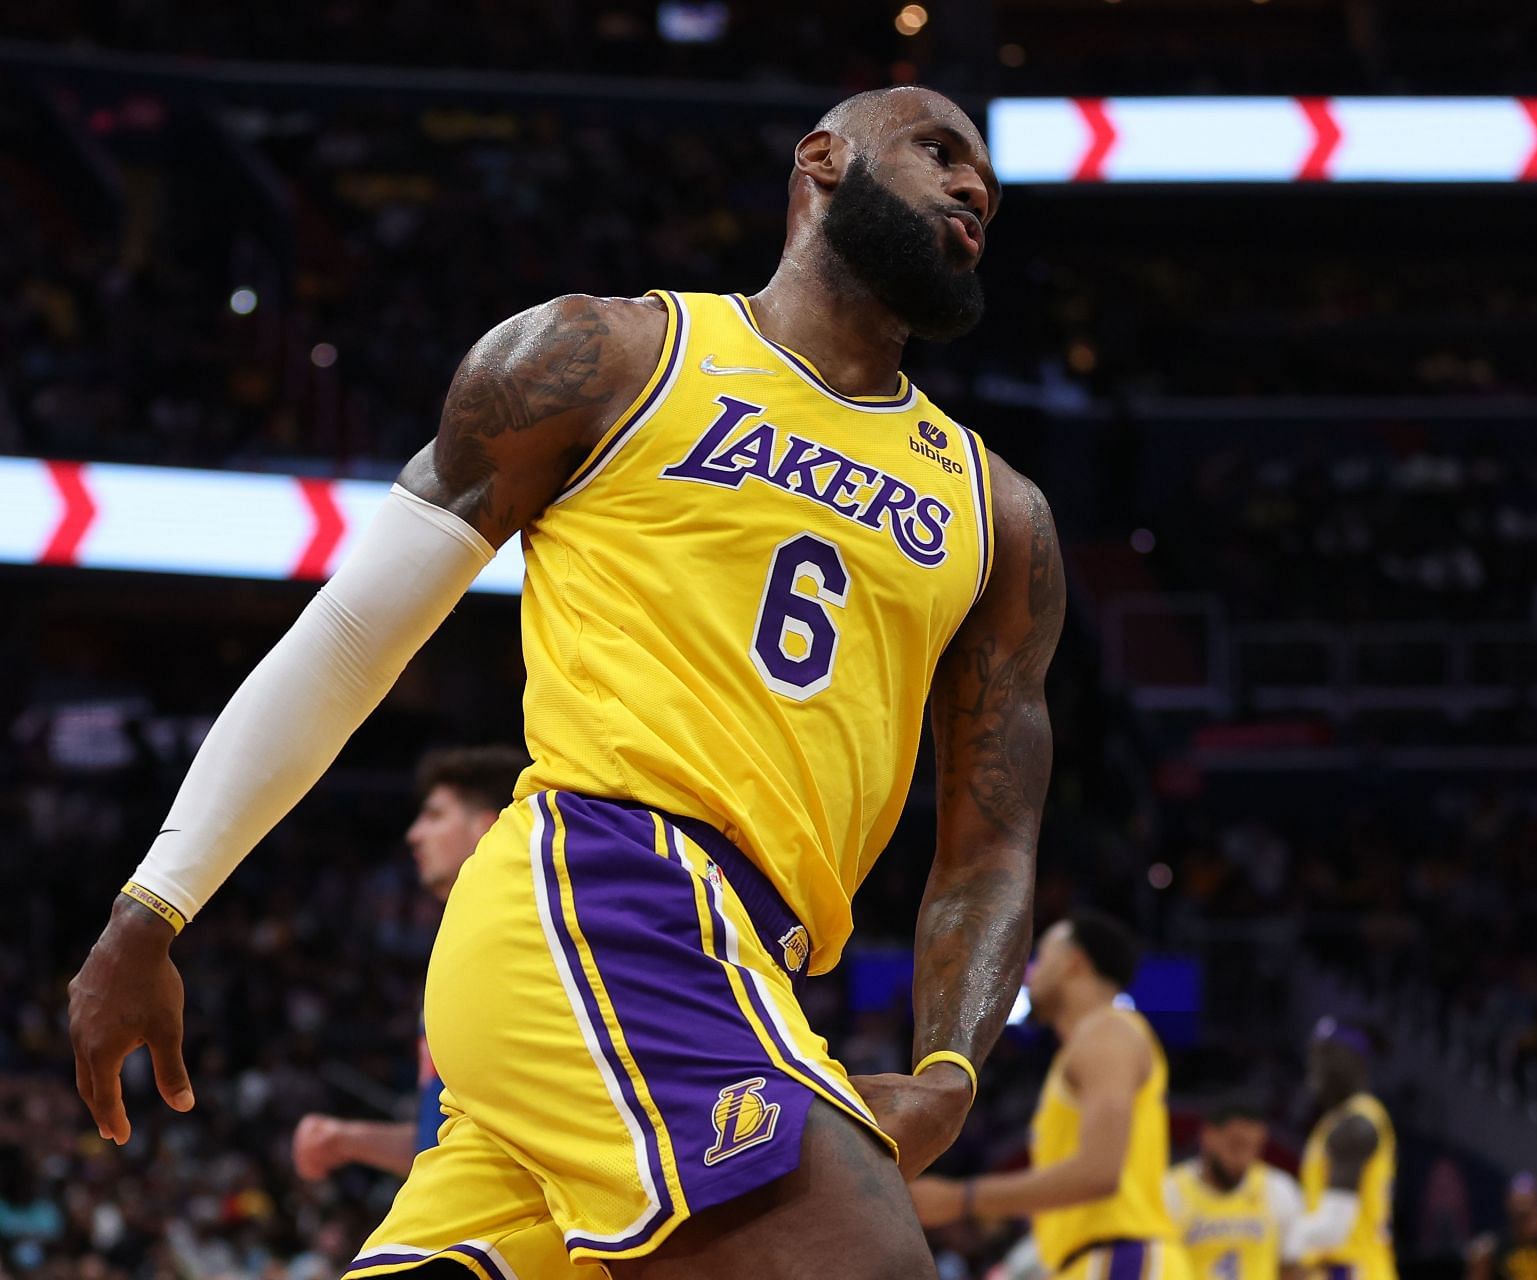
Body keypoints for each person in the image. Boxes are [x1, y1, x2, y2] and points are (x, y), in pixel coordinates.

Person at [67, 84, 1063, 1280]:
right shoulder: (608, 353)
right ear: (822, 161)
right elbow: (349, 637)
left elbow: (991, 845)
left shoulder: (997, 512)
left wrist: (951, 1074)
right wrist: (154, 903)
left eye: (987, 189)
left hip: (743, 961)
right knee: (861, 1261)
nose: (971, 190)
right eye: (939, 152)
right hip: (605, 890)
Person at [912, 912, 1191, 1280]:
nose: (1031, 973)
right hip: (1091, 1261)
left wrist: (960, 1198)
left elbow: (1099, 1172)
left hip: (1119, 1260)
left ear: (1075, 963)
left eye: (1042, 957)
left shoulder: (1107, 1031)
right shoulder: (1087, 1045)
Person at [292, 746, 525, 1180]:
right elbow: (444, 1142)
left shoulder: (525, 943)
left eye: (435, 816)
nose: (414, 834)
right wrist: (347, 1140)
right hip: (466, 1206)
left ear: (488, 827)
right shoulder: (454, 949)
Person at [1292, 1019, 1396, 1280]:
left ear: (1356, 1061)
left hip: (1352, 1270)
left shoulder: (1357, 1125)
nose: (1316, 1066)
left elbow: (1334, 1226)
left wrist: (1267, 1232)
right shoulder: (1335, 1121)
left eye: (1328, 1054)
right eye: (1314, 1055)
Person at [1165, 1100, 1303, 1280]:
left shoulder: (1278, 1188)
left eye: (1254, 1149)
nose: (1243, 1161)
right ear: (1208, 1136)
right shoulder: (1170, 1190)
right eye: (1236, 1146)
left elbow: (1292, 1267)